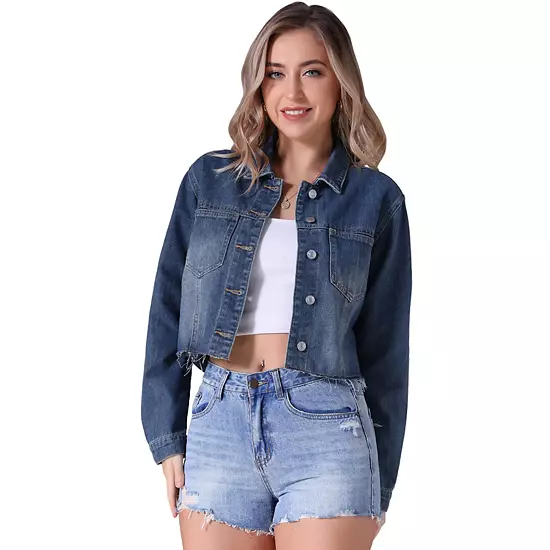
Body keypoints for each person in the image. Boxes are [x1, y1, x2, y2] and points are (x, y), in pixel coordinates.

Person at [140, 2, 412, 549]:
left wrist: (381, 482)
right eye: (275, 73)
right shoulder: (209, 181)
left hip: (327, 428)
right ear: (258, 86)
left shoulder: (375, 199)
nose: (293, 92)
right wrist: (167, 434)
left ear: (341, 83)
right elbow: (167, 307)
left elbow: (386, 351)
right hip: (219, 422)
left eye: (312, 71)